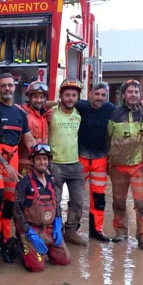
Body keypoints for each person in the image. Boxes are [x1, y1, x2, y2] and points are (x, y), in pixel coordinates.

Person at [0, 73, 37, 262]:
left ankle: (5, 238)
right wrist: (5, 164)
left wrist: (43, 159)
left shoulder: (20, 114)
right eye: (3, 86)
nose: (7, 89)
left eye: (10, 85)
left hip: (13, 159)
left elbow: (29, 139)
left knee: (9, 203)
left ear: (15, 87)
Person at [106, 79, 143, 250]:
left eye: (136, 92)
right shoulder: (114, 114)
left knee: (142, 204)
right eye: (130, 92)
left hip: (139, 166)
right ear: (123, 95)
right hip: (118, 167)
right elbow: (108, 137)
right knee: (118, 202)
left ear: (140, 95)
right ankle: (120, 232)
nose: (133, 95)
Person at [13, 143, 71, 272]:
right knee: (37, 267)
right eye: (38, 159)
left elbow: (57, 205)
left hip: (49, 229)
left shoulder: (52, 181)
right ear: (32, 161)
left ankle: (46, 247)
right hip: (31, 231)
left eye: (45, 159)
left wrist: (58, 225)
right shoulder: (24, 183)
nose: (42, 162)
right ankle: (20, 247)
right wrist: (29, 233)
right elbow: (17, 212)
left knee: (65, 260)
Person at [47, 78, 88, 247]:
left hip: (75, 164)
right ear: (61, 96)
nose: (70, 98)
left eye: (74, 95)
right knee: (54, 201)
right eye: (67, 95)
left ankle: (71, 231)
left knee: (78, 201)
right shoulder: (51, 113)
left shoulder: (79, 114)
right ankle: (55, 231)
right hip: (55, 164)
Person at [75, 82, 115, 243]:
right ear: (90, 94)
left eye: (103, 95)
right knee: (76, 195)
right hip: (81, 157)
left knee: (98, 197)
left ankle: (96, 230)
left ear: (106, 96)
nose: (99, 98)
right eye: (97, 94)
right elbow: (59, 104)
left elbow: (129, 111)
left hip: (100, 159)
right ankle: (72, 227)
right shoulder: (81, 105)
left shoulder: (110, 109)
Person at [18, 81, 50, 177]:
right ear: (29, 98)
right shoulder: (23, 114)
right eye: (35, 97)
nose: (39, 100)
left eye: (41, 97)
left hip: (40, 164)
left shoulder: (44, 116)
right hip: (25, 165)